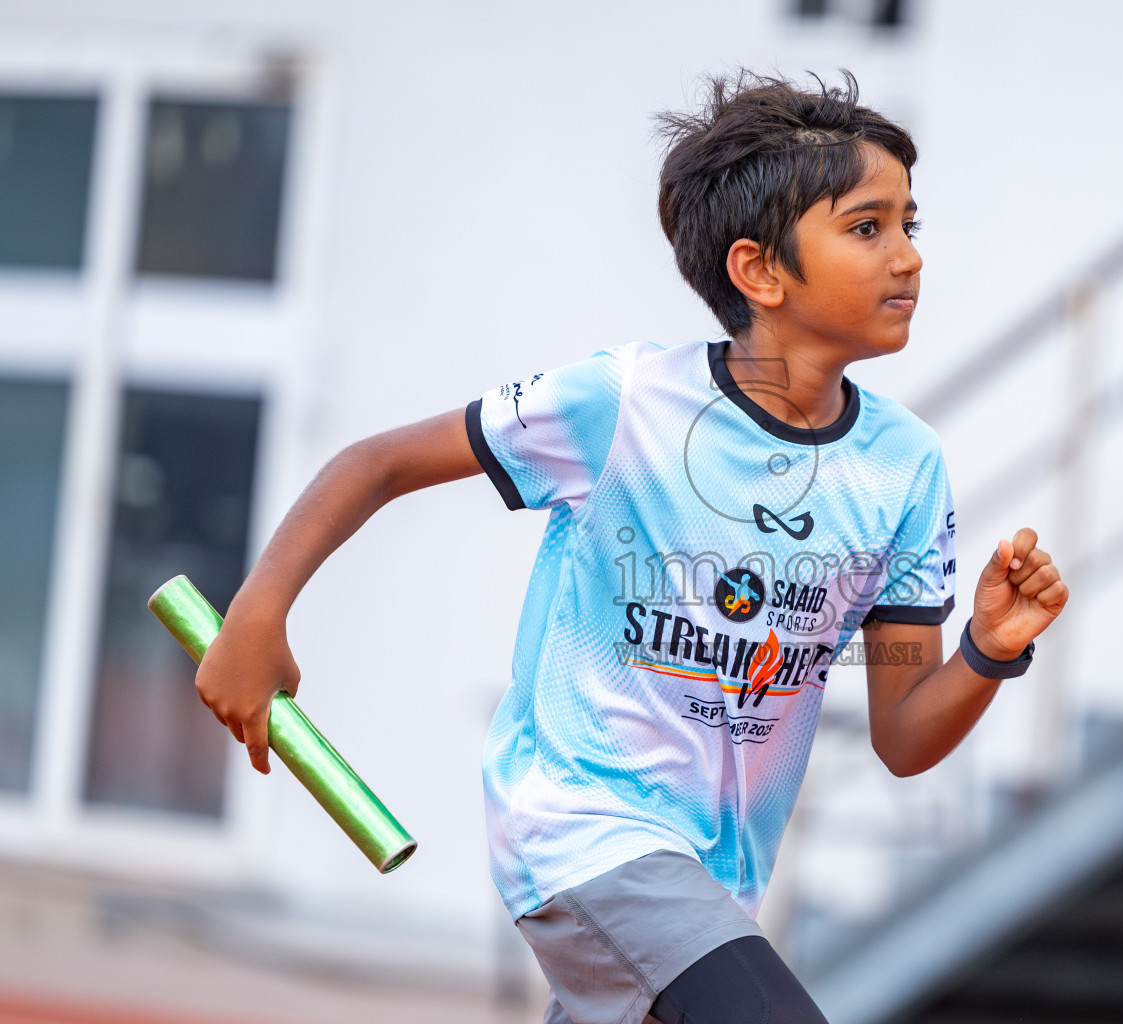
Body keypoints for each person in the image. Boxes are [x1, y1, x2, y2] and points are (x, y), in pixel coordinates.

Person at [194, 70, 1068, 1024]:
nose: (908, 258)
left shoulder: (905, 467)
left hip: (717, 883)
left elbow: (903, 736)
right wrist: (257, 613)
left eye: (911, 224)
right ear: (759, 271)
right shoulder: (623, 406)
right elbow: (376, 463)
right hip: (581, 834)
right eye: (868, 228)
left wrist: (990, 646)